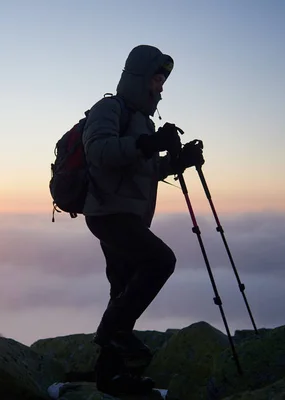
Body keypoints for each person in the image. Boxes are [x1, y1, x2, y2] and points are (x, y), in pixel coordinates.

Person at [81, 44, 204, 394]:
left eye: (163, 79)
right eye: (156, 78)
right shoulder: (108, 109)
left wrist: (177, 162)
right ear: (138, 78)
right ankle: (113, 333)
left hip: (127, 215)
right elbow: (100, 152)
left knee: (122, 288)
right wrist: (149, 144)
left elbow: (144, 170)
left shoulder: (143, 121)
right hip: (108, 213)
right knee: (160, 260)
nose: (160, 86)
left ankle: (113, 377)